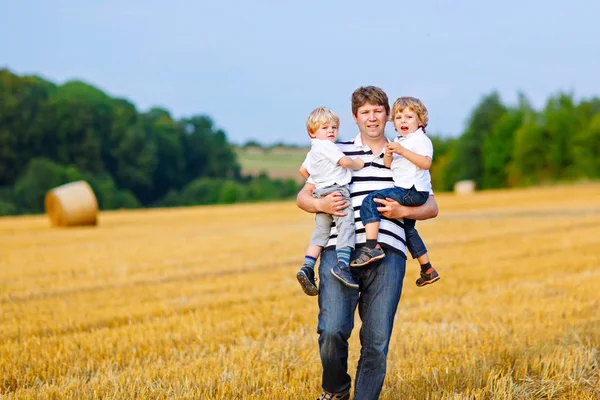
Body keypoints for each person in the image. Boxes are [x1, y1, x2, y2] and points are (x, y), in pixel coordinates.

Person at [296, 86, 439, 400]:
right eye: (365, 112)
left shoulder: (405, 149)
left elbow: (432, 207)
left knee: (376, 341)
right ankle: (336, 390)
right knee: (332, 329)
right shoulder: (336, 150)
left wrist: (403, 211)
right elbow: (303, 196)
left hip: (388, 253)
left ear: (387, 115)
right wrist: (321, 206)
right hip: (339, 249)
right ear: (355, 117)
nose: (372, 117)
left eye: (378, 111)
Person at [351, 96, 441, 287]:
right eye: (399, 118)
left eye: (408, 117)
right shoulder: (401, 141)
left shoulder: (420, 139)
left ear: (420, 120)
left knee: (370, 201)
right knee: (408, 230)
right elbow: (388, 165)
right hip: (408, 190)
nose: (403, 121)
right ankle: (427, 269)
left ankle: (371, 246)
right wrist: (390, 154)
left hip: (411, 190)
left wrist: (402, 151)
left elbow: (426, 163)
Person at [296, 107, 365, 296]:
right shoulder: (328, 146)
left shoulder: (312, 151)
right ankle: (343, 265)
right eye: (325, 127)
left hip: (320, 193)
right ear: (313, 132)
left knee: (321, 232)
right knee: (346, 226)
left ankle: (308, 266)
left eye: (334, 127)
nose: (331, 131)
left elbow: (304, 171)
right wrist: (357, 164)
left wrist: (319, 176)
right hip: (337, 192)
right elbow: (344, 162)